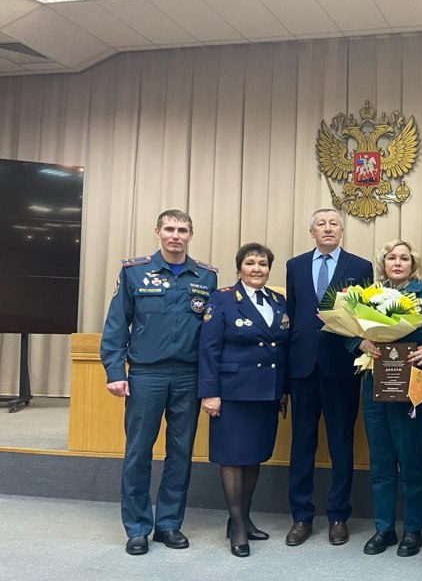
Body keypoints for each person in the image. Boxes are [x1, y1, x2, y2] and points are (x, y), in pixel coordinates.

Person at [100, 209, 218, 555]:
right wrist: (114, 371)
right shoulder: (135, 272)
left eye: (182, 229)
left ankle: (168, 524)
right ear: (157, 232)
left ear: (190, 235)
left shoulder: (206, 277)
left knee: (180, 454)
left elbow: (211, 334)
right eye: (169, 229)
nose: (175, 235)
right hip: (146, 375)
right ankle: (137, 527)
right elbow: (116, 326)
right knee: (138, 452)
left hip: (188, 376)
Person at [349, 240, 422, 557]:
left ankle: (413, 529)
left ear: (413, 264)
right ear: (383, 263)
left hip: (412, 383)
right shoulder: (369, 296)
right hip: (375, 382)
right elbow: (348, 330)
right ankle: (384, 528)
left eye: (404, 258)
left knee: (411, 459)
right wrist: (359, 343)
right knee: (381, 459)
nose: (398, 262)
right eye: (392, 257)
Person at [284, 208, 373, 547]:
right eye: (321, 224)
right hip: (303, 368)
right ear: (312, 232)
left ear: (342, 230)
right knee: (301, 445)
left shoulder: (360, 267)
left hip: (341, 367)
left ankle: (338, 515)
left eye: (334, 223)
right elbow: (291, 316)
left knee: (341, 444)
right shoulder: (294, 266)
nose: (328, 228)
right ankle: (301, 517)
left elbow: (365, 317)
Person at [198, 243, 289, 557]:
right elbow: (208, 348)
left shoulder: (279, 301)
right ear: (239, 268)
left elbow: (283, 348)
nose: (257, 269)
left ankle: (244, 517)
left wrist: (284, 390)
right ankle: (236, 526)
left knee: (254, 457)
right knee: (233, 458)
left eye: (263, 264)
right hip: (232, 393)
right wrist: (210, 392)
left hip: (266, 393)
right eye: (250, 263)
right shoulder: (222, 299)